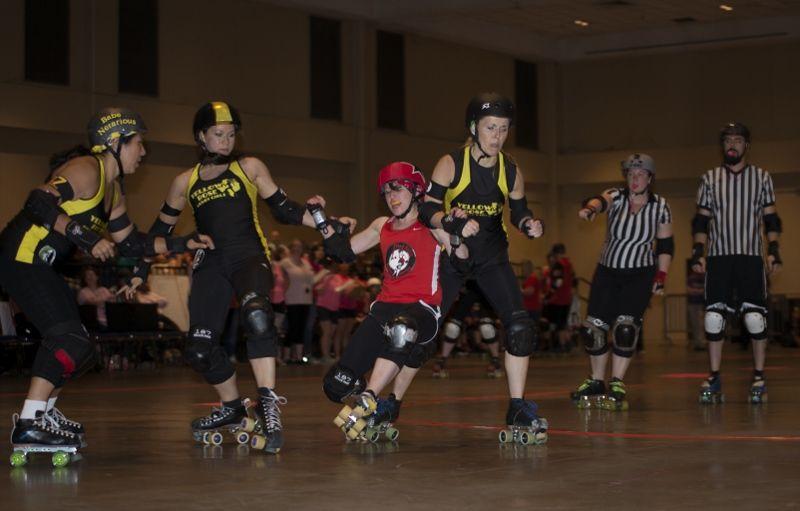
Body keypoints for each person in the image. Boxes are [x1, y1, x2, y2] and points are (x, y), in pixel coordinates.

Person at [0, 108, 209, 458]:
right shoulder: (85, 169)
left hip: (40, 265)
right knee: (66, 337)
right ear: (116, 142)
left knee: (80, 347)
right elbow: (37, 202)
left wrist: (184, 243)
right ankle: (29, 423)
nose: (143, 152)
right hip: (19, 256)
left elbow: (132, 244)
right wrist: (84, 236)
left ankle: (44, 414)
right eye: (138, 143)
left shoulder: (112, 192)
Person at [151, 101, 333, 453]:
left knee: (257, 315)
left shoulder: (248, 167)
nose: (226, 141)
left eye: (231, 134)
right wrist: (136, 268)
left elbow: (284, 209)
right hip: (210, 264)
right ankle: (233, 408)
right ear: (201, 137)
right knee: (200, 350)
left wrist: (327, 225)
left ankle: (267, 403)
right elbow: (158, 233)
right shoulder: (182, 182)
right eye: (218, 134)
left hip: (249, 257)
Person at [398, 93, 548, 443]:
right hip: (452, 255)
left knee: (520, 329)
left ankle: (517, 406)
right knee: (422, 331)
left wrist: (529, 224)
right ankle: (392, 401)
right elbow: (426, 209)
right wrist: (452, 225)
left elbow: (519, 211)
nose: (496, 136)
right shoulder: (452, 163)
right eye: (490, 128)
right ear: (473, 128)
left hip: (492, 259)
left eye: (503, 129)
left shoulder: (510, 169)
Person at [320, 162, 466, 439]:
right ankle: (366, 395)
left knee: (402, 329)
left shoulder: (431, 224)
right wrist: (330, 227)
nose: (392, 197)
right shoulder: (382, 225)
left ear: (415, 192)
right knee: (335, 385)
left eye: (398, 190)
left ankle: (369, 397)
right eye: (387, 192)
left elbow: (462, 259)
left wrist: (456, 231)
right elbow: (341, 253)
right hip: (384, 309)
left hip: (421, 310)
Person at [570, 153, 673, 410]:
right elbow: (600, 201)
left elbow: (666, 245)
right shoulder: (616, 196)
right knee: (593, 330)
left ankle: (616, 381)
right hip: (607, 272)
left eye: (640, 174)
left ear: (650, 178)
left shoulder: (660, 206)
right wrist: (591, 209)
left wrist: (661, 276)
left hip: (640, 275)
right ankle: (596, 381)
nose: (635, 179)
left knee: (625, 329)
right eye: (630, 174)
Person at [690, 122, 782, 404]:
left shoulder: (762, 177)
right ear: (723, 146)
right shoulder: (709, 178)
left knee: (755, 319)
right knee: (714, 318)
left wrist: (774, 250)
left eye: (738, 140)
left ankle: (758, 375)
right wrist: (698, 251)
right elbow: (702, 220)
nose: (732, 144)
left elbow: (770, 219)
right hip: (719, 257)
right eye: (728, 140)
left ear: (747, 146)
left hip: (751, 257)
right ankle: (715, 376)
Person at [280, 239, 315, 363]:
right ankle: (287, 356)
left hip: (306, 299)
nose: (298, 249)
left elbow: (312, 279)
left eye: (300, 246)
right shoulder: (285, 263)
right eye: (296, 246)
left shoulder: (306, 262)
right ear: (291, 248)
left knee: (302, 328)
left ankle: (299, 357)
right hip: (291, 299)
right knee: (292, 328)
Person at [542, 243, 575, 353]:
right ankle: (565, 344)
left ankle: (561, 346)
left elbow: (558, 282)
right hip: (567, 299)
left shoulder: (558, 265)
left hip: (557, 299)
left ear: (556, 253)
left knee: (554, 323)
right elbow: (573, 281)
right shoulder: (569, 264)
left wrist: (547, 296)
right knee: (562, 323)